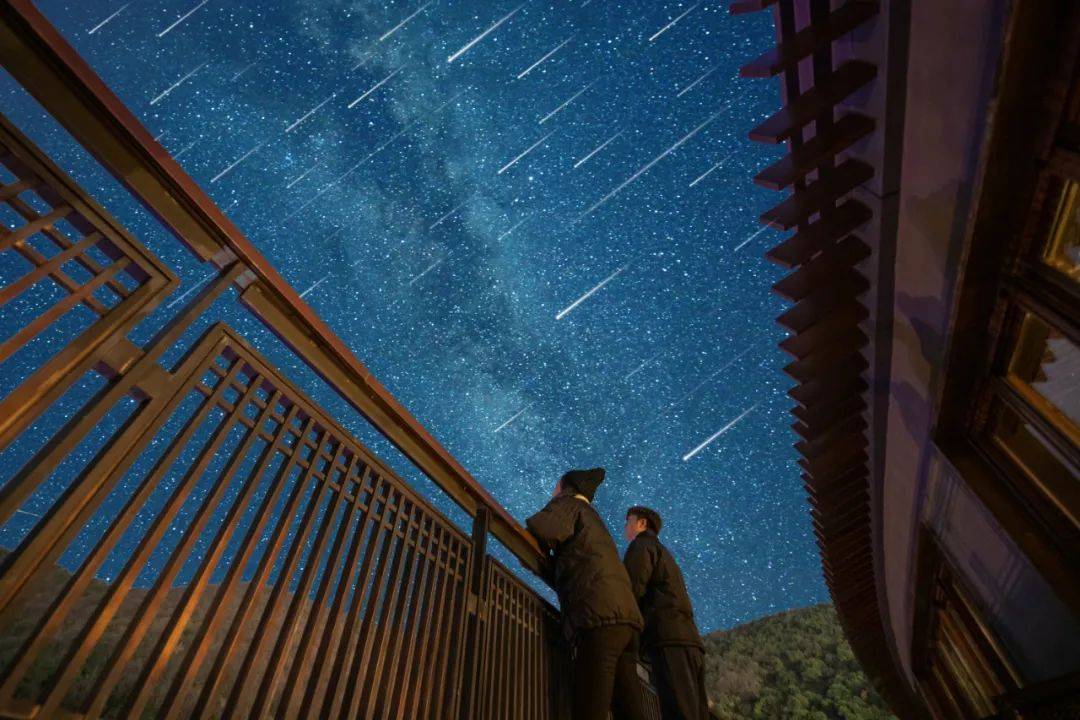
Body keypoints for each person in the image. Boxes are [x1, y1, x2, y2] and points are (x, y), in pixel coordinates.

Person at [526, 468, 650, 720]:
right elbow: (581, 561)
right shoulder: (593, 518)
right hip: (625, 620)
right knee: (628, 709)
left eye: (555, 487)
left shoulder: (569, 505)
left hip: (599, 617)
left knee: (589, 707)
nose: (552, 492)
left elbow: (541, 526)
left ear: (566, 488)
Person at [623, 506, 709, 720]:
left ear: (642, 524)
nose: (625, 527)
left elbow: (631, 589)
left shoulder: (642, 546)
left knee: (678, 710)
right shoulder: (665, 554)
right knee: (696, 711)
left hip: (667, 639)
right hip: (690, 641)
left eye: (628, 521)